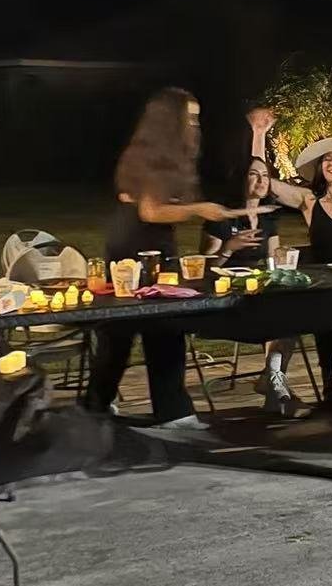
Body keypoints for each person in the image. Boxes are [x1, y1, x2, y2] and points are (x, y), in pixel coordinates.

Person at [82, 88, 240, 427]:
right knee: (147, 326)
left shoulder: (165, 158)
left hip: (143, 242)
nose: (196, 125)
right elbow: (151, 210)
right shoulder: (149, 157)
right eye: (190, 117)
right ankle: (151, 410)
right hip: (137, 245)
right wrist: (201, 209)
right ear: (171, 121)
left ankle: (121, 406)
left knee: (147, 329)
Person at [248, 109, 332, 410]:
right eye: (327, 160)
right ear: (320, 168)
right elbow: (262, 180)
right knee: (325, 318)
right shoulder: (308, 200)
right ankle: (329, 385)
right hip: (320, 281)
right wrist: (259, 135)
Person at [202, 155, 294, 413]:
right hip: (229, 298)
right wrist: (229, 248)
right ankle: (274, 383)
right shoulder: (222, 217)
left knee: (293, 314)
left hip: (260, 292)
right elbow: (206, 269)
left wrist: (282, 259)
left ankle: (272, 380)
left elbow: (273, 260)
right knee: (282, 320)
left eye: (265, 175)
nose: (261, 180)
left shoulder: (268, 219)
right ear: (241, 179)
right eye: (254, 174)